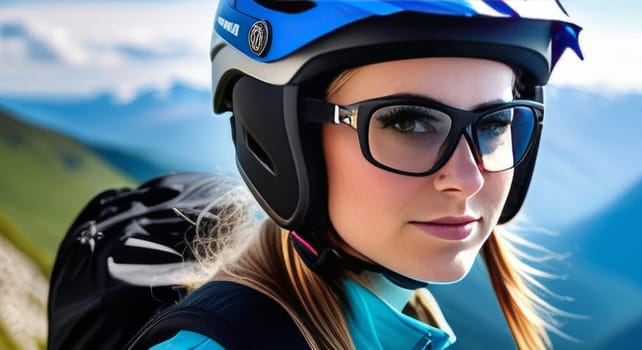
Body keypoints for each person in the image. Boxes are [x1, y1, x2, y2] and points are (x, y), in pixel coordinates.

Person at [137, 1, 583, 349]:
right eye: (408, 122)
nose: (468, 179)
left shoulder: (410, 321)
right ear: (283, 137)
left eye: (494, 124)